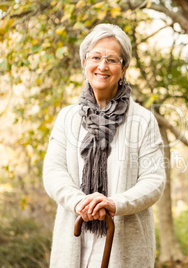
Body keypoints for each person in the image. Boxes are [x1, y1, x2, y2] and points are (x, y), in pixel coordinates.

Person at [43, 23, 166, 268]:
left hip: (125, 246)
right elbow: (54, 172)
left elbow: (154, 181)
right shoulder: (68, 118)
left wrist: (114, 204)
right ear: (84, 62)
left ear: (124, 68)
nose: (102, 66)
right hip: (74, 243)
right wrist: (80, 202)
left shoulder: (142, 120)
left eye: (112, 59)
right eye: (96, 57)